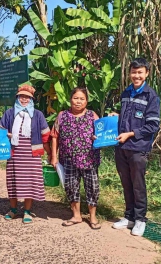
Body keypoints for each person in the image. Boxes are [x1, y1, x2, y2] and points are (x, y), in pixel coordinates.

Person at [110, 58, 160, 237]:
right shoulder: (126, 93)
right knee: (126, 183)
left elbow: (153, 126)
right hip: (121, 146)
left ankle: (140, 220)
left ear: (146, 73)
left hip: (138, 147)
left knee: (138, 184)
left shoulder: (150, 96)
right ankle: (129, 217)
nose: (136, 75)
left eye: (140, 72)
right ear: (129, 73)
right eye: (133, 72)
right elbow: (126, 118)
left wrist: (131, 134)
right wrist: (116, 116)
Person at [50, 87, 101, 230]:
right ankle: (76, 215)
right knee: (71, 188)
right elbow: (55, 136)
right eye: (75, 98)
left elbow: (102, 133)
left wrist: (97, 137)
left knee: (92, 188)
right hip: (68, 159)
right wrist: (54, 156)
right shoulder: (62, 115)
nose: (78, 102)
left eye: (82, 99)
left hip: (89, 159)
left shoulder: (92, 116)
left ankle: (92, 217)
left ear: (86, 101)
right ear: (70, 99)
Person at [0, 84, 51, 224]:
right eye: (22, 96)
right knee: (13, 182)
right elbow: (0, 132)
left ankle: (27, 211)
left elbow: (46, 136)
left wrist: (50, 153)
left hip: (32, 155)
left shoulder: (38, 115)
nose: (24, 99)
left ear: (32, 99)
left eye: (27, 97)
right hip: (14, 154)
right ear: (17, 97)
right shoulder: (9, 113)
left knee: (29, 183)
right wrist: (7, 135)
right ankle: (13, 209)